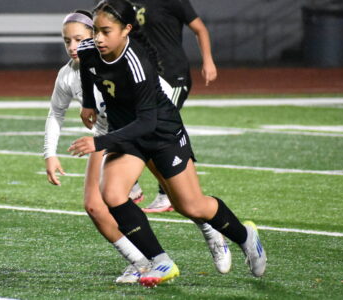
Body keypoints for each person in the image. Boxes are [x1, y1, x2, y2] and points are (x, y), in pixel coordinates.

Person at [68, 0, 266, 287]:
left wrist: (100, 142)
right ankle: (161, 261)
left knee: (192, 206)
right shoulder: (90, 50)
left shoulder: (137, 63)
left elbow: (147, 123)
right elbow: (88, 70)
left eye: (106, 31)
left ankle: (246, 237)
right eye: (95, 30)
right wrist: (88, 104)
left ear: (126, 30)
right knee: (111, 193)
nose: (97, 37)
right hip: (128, 133)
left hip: (162, 133)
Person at [44, 10, 230, 283]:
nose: (73, 46)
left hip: (146, 134)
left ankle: (211, 229)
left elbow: (159, 96)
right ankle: (142, 262)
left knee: (180, 199)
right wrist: (50, 154)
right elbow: (55, 113)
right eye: (66, 41)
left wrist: (167, 134)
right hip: (107, 136)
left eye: (80, 39)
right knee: (95, 206)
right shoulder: (68, 75)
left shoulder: (122, 61)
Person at [131, 0, 218, 213]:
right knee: (134, 121)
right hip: (145, 74)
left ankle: (165, 194)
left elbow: (200, 29)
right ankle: (133, 185)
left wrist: (207, 60)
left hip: (172, 74)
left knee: (162, 125)